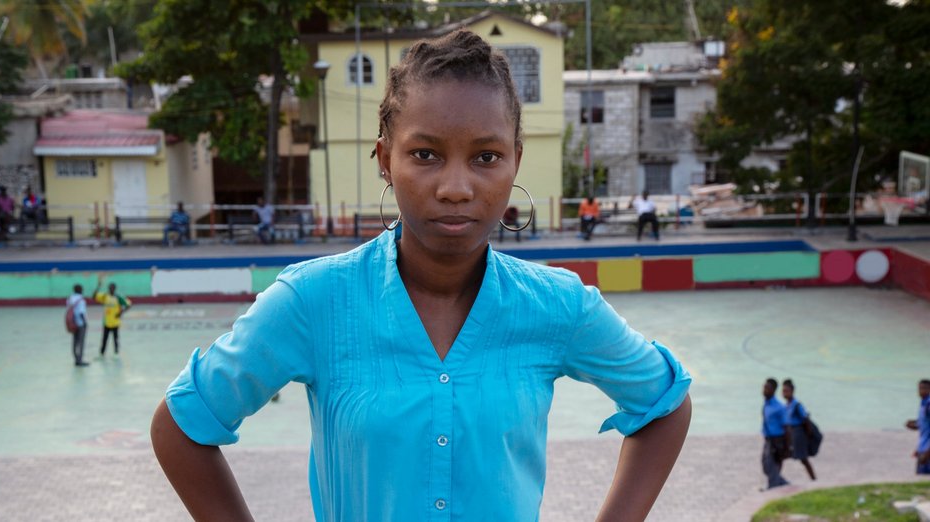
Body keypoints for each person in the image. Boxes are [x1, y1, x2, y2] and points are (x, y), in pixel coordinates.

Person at [150, 29, 692, 522]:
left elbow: (664, 402)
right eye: (426, 153)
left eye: (486, 157)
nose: (455, 187)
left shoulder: (558, 306)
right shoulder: (313, 301)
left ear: (515, 161)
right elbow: (179, 428)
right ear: (386, 159)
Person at [781, 379, 816, 480]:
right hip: (791, 433)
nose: (784, 393)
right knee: (784, 456)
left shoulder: (796, 405)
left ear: (792, 391)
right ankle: (775, 478)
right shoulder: (786, 405)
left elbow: (805, 419)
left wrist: (808, 435)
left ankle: (814, 479)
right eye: (783, 391)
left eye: (786, 391)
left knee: (803, 458)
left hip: (798, 433)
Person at [761, 378, 789, 489]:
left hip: (777, 440)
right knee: (766, 465)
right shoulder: (766, 404)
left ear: (773, 390)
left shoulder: (779, 407)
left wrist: (787, 446)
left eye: (767, 388)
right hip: (768, 439)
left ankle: (773, 488)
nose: (764, 390)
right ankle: (782, 483)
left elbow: (786, 427)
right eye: (764, 387)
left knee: (773, 464)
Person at [94, 275, 132, 356]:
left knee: (116, 339)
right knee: (104, 339)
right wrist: (98, 286)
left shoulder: (118, 297)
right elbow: (94, 296)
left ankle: (116, 353)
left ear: (115, 288)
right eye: (110, 288)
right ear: (108, 288)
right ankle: (102, 353)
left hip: (115, 322)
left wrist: (121, 312)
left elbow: (129, 305)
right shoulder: (105, 296)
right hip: (106, 322)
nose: (111, 289)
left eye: (112, 288)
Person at [905, 379, 930, 475]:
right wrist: (914, 425)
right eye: (919, 388)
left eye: (924, 388)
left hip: (927, 452)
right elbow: (924, 425)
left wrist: (927, 452)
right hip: (922, 448)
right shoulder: (923, 403)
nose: (921, 391)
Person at [67, 284, 89, 367]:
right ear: (80, 290)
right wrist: (85, 322)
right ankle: (80, 360)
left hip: (72, 322)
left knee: (75, 342)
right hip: (80, 323)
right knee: (81, 342)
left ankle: (76, 358)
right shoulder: (81, 300)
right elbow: (81, 313)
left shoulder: (70, 299)